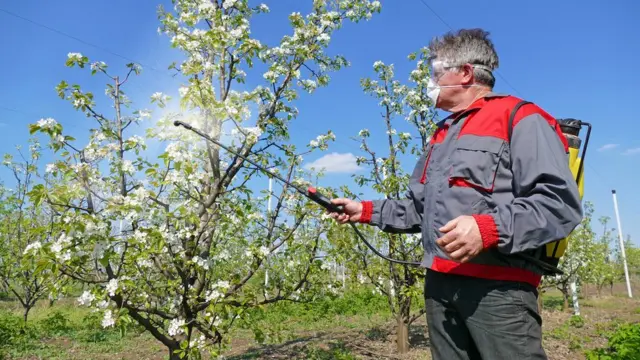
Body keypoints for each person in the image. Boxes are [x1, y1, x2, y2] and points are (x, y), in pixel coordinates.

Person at [328, 28, 583, 360]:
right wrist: (362, 210)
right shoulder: (442, 134)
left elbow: (559, 204)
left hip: (498, 292)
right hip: (440, 286)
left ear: (464, 73)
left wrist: (489, 228)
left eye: (435, 72)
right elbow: (421, 210)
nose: (429, 83)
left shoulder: (520, 117)